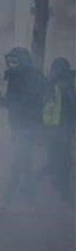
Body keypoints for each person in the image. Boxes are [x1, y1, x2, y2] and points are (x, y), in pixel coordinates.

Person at [0, 47, 45, 206]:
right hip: (23, 125)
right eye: (10, 60)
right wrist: (1, 101)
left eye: (15, 60)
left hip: (27, 125)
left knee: (19, 162)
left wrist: (3, 102)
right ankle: (31, 198)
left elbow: (22, 102)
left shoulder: (24, 76)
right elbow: (14, 103)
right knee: (25, 162)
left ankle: (7, 199)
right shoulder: (21, 74)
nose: (11, 63)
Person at [42, 58, 74, 205]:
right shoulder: (50, 83)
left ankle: (63, 191)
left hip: (63, 128)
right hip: (53, 128)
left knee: (63, 161)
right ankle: (59, 188)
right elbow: (43, 103)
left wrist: (68, 89)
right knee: (56, 160)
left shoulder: (69, 84)